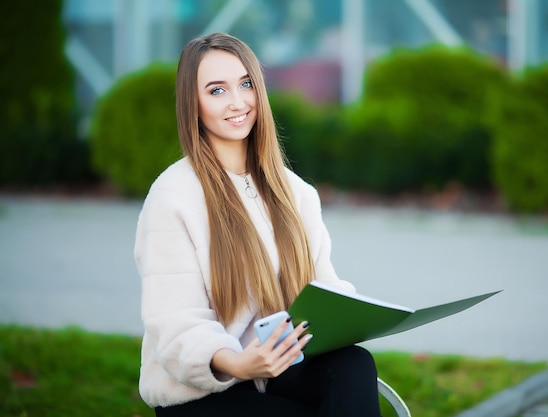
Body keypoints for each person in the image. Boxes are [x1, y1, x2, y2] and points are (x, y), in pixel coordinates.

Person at [134, 32, 382, 417]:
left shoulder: (295, 192)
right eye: (217, 91)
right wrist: (237, 363)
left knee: (354, 364)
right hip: (207, 389)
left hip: (279, 371)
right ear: (193, 105)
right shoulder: (173, 196)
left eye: (246, 84)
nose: (238, 102)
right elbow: (174, 324)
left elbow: (325, 289)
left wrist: (352, 316)